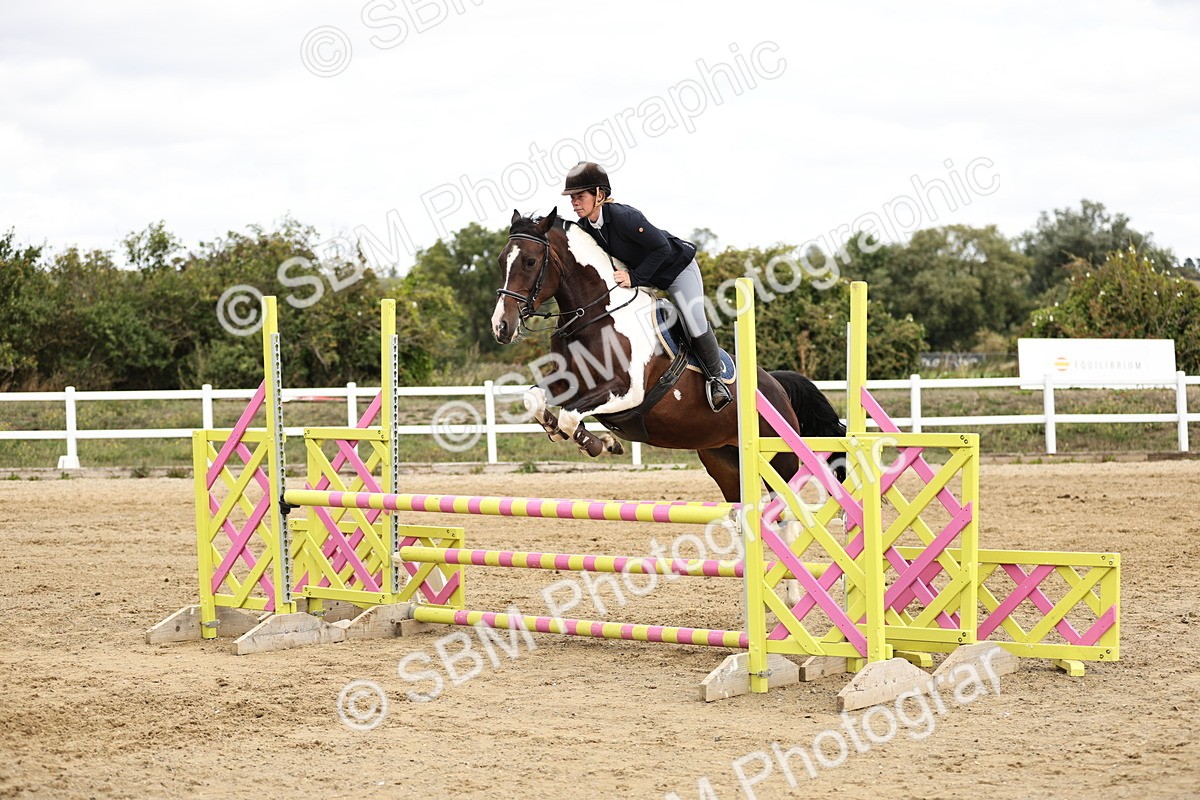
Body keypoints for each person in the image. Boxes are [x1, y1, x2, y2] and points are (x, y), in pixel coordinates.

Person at [561, 161, 732, 412]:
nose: (575, 202)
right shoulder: (587, 227)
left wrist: (635, 278)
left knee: (693, 320)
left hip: (676, 270)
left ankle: (717, 380)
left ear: (600, 195)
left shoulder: (624, 217)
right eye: (572, 198)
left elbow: (661, 248)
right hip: (643, 277)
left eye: (580, 196)